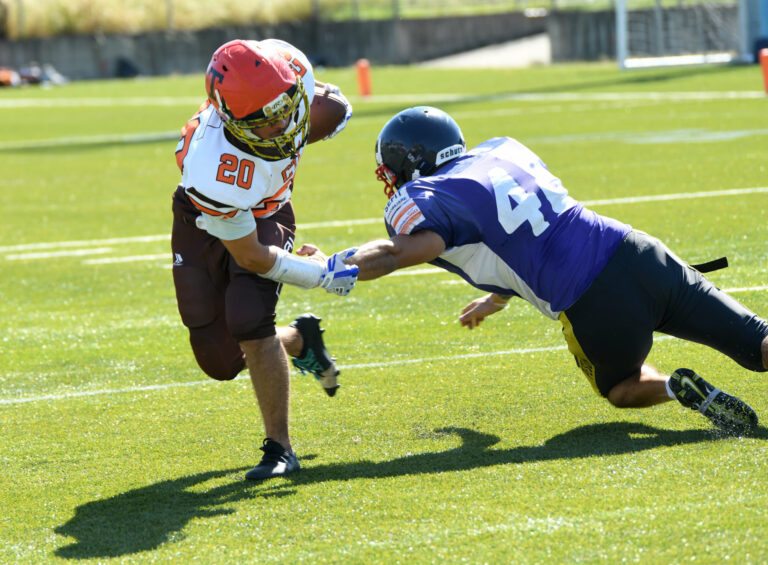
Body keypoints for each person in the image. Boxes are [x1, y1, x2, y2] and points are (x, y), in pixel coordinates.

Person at [311, 106, 768, 434]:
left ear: (413, 163)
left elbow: (398, 252)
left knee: (620, 388)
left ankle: (674, 387)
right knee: (755, 339)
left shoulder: (427, 197)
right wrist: (495, 300)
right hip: (639, 252)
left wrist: (329, 266)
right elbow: (524, 231)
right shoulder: (503, 151)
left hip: (593, 301)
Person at [172, 38, 358, 481]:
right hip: (210, 214)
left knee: (249, 321)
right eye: (264, 122)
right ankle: (300, 340)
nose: (283, 125)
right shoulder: (213, 169)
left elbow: (333, 105)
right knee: (218, 360)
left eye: (285, 109)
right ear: (233, 122)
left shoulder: (292, 68)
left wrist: (327, 110)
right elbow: (253, 257)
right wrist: (319, 275)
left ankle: (280, 447)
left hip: (269, 208)